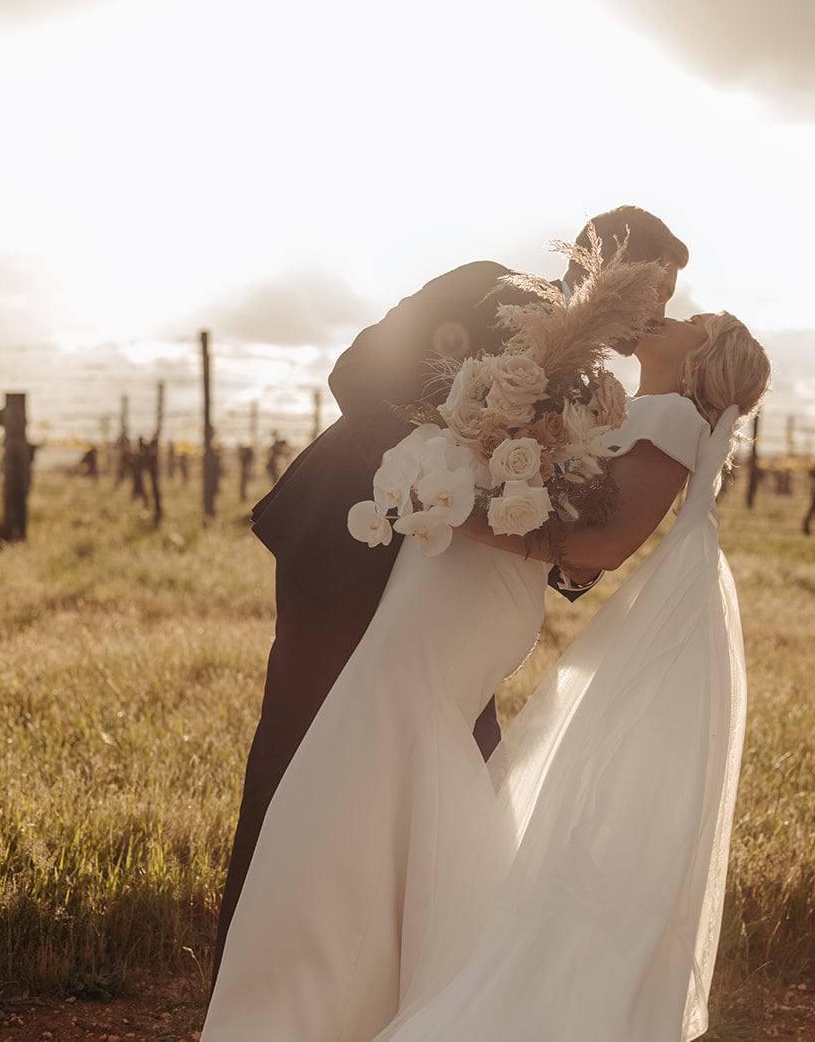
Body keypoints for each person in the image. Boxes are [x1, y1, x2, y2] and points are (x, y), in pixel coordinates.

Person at [203, 310, 771, 1041]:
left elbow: (600, 543)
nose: (677, 311)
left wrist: (453, 510)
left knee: (384, 727)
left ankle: (321, 995)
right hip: (460, 582)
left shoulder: (672, 424)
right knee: (391, 738)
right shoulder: (639, 410)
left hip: (480, 590)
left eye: (698, 319)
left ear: (703, 358)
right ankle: (388, 976)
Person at [211, 208, 690, 987]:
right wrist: (462, 444)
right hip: (351, 548)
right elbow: (354, 373)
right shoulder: (483, 288)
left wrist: (552, 514)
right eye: (652, 289)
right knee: (303, 754)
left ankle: (417, 994)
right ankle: (257, 980)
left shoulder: (599, 389)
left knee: (454, 778)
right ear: (605, 261)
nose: (658, 314)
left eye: (669, 299)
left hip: (454, 604)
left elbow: (571, 532)